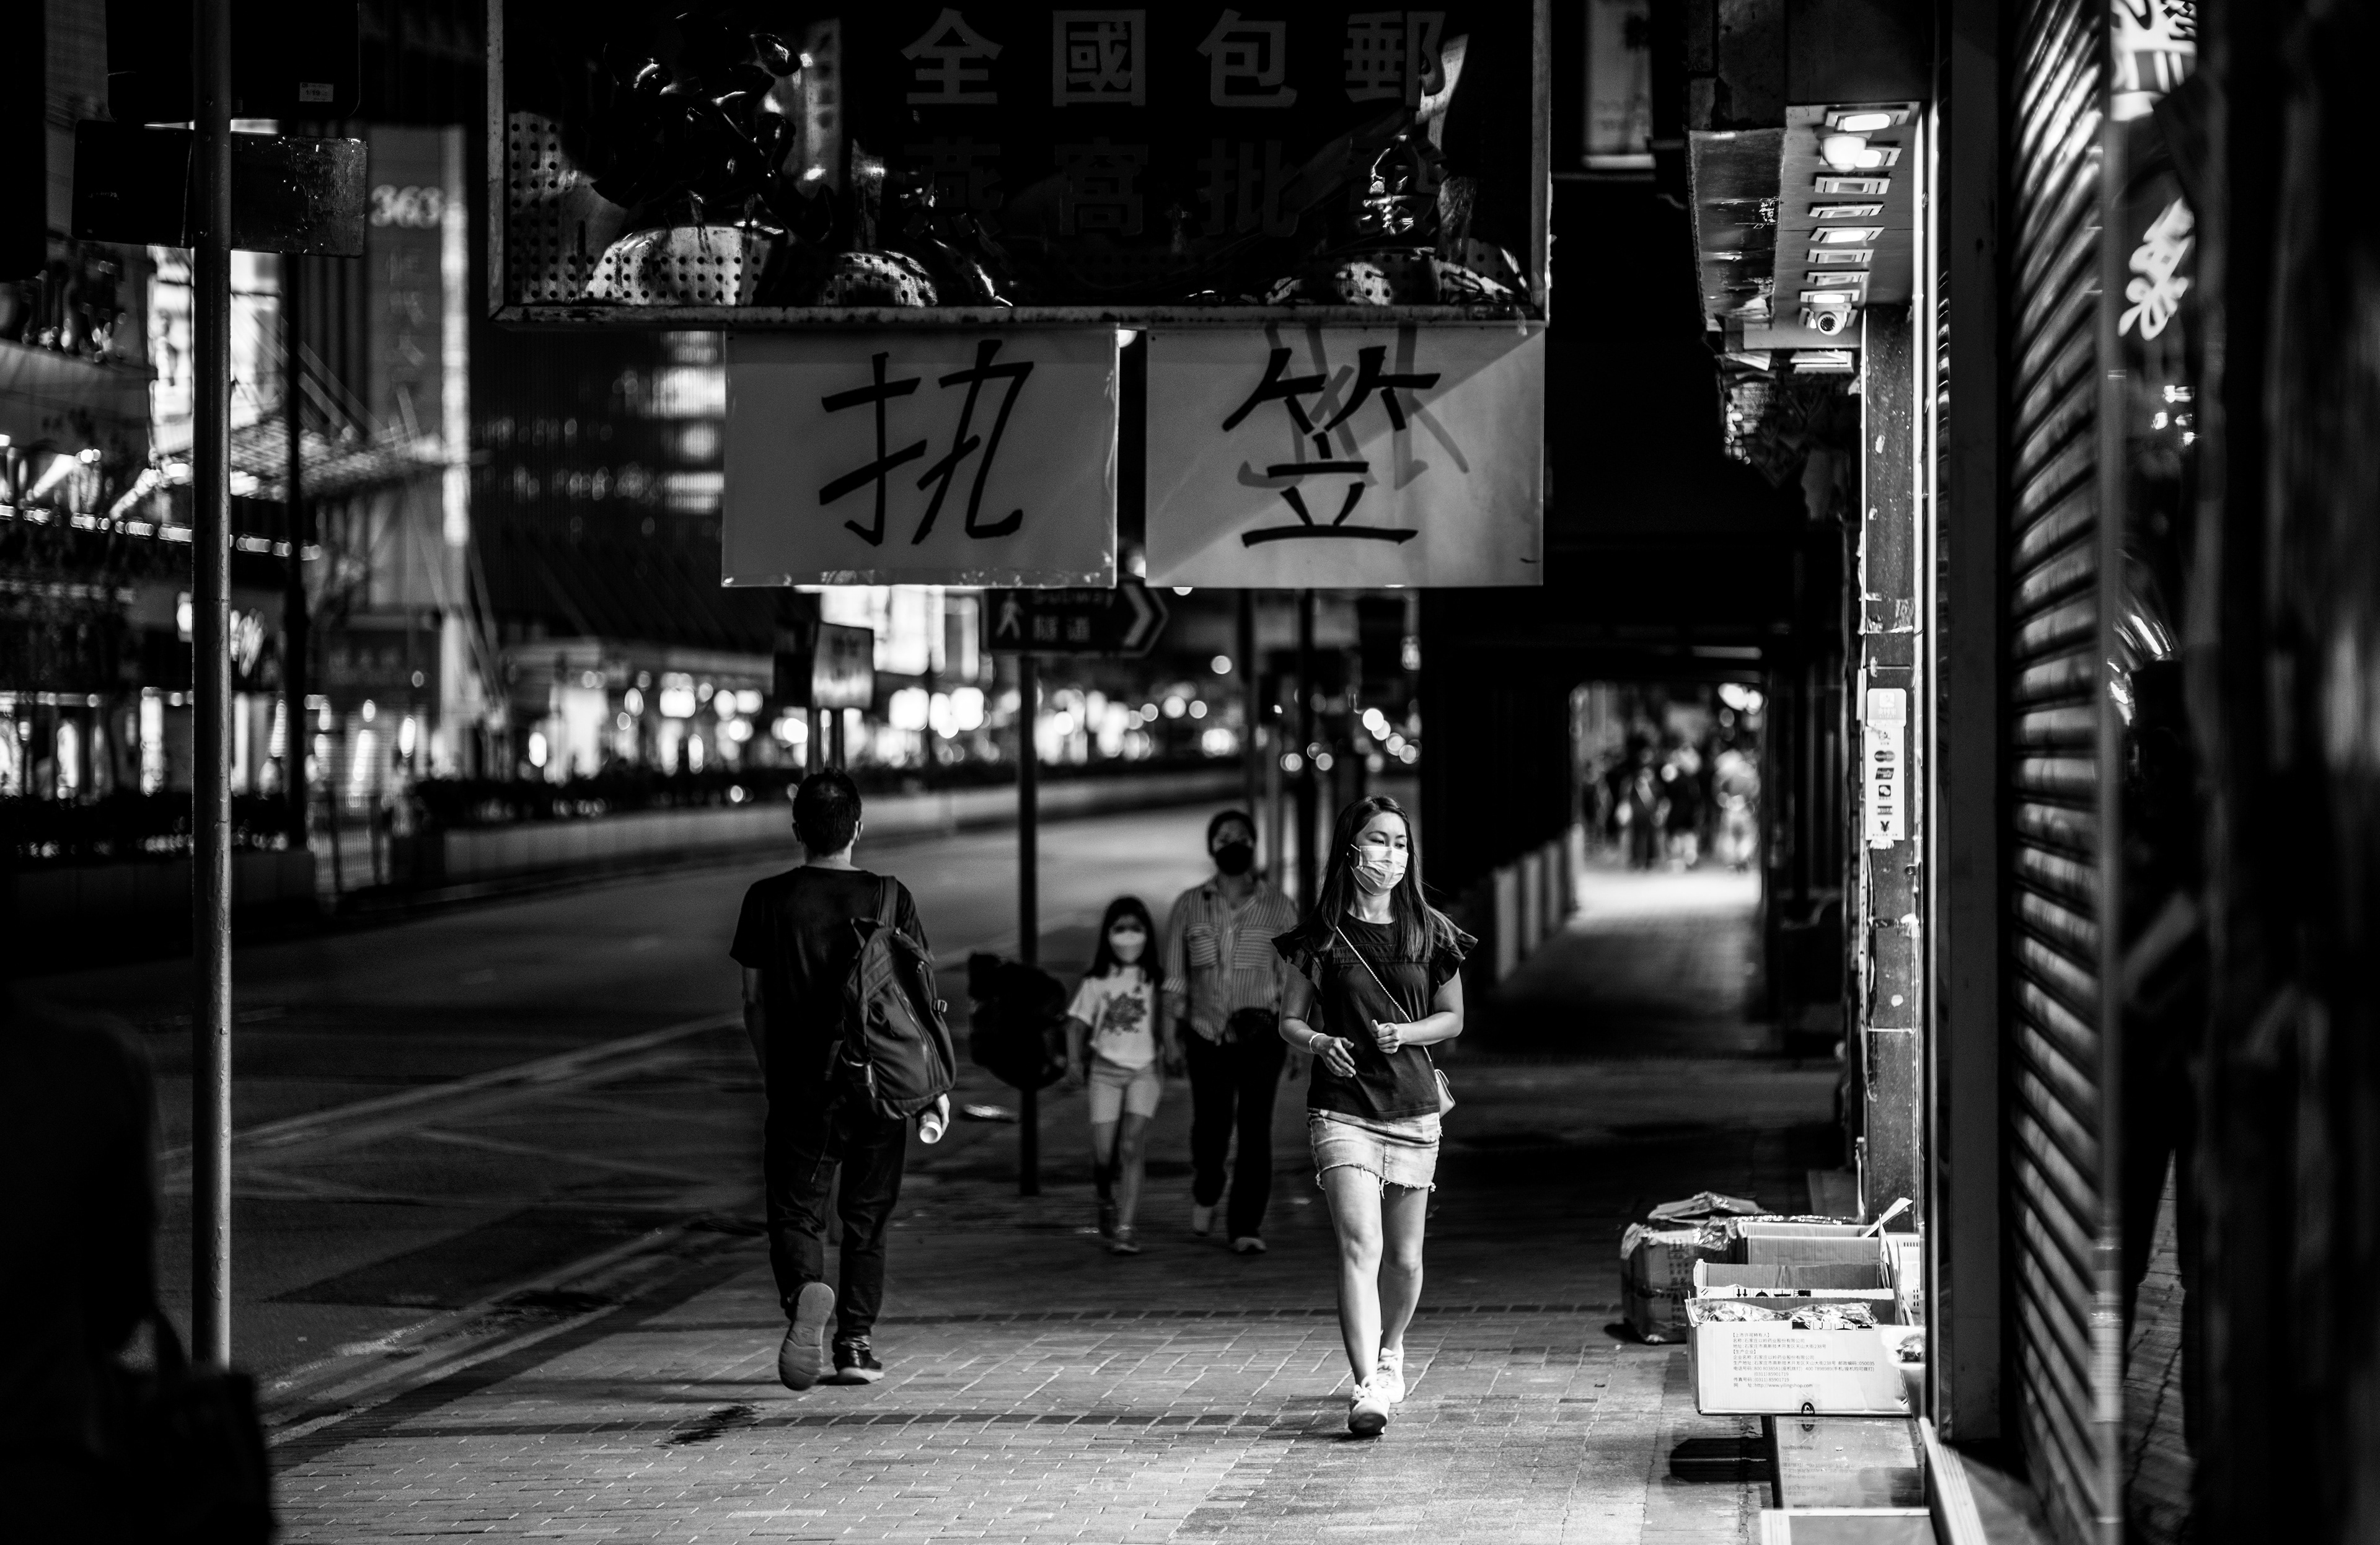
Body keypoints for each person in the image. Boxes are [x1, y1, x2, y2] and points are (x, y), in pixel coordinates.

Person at [731, 770, 951, 1392]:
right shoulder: (889, 895)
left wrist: (772, 1069)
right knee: (867, 1216)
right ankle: (855, 1343)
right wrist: (933, 1089)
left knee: (796, 1212)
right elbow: (917, 999)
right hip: (878, 1085)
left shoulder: (766, 899)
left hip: (801, 1083)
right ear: (858, 827)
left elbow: (754, 1001)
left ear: (797, 829)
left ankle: (805, 1290)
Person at [1274, 795, 1473, 1437]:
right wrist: (1318, 1043)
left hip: (1414, 1109)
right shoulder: (1322, 937)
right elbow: (1291, 1020)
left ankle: (1392, 1350)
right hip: (1341, 1110)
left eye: (1399, 843)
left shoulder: (1430, 931)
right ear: (1351, 849)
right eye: (1378, 841)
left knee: (1407, 1260)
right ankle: (1365, 1387)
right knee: (1362, 1246)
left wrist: (1409, 1034)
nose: (1389, 854)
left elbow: (1454, 1019)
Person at [1160, 809, 1301, 1253]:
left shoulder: (1280, 906)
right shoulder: (1189, 905)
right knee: (1212, 1126)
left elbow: (1294, 976)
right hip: (1207, 1034)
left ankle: (1245, 1226)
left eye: (1241, 835)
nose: (1233, 842)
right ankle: (1207, 1185)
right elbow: (1175, 979)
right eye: (1224, 836)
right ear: (1212, 847)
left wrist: (1300, 1041)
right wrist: (1170, 1036)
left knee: (1256, 1129)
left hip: (1264, 1036)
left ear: (1253, 844)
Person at [1062, 896, 1178, 1256]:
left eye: (1136, 929)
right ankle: (1104, 1198)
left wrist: (1173, 1048)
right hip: (1104, 1075)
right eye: (1120, 928)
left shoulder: (1156, 980)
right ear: (1108, 934)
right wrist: (1074, 1062)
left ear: (1148, 934)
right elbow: (1075, 1025)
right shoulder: (1096, 981)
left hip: (1145, 1072)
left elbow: (1168, 1020)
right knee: (1102, 1154)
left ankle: (1126, 1227)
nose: (1128, 937)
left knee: (1131, 1144)